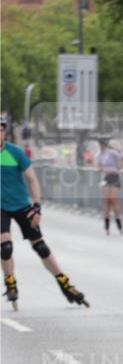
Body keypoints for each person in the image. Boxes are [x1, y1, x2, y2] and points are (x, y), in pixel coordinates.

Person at [0, 118, 89, 309]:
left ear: (4, 132)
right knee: (5, 246)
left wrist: (37, 206)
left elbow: (32, 180)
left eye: (0, 130)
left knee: (40, 247)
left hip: (21, 204)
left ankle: (64, 282)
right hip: (1, 208)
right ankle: (10, 281)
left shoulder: (15, 152)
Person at [97, 138, 123, 235]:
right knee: (106, 201)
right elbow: (98, 166)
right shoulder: (99, 155)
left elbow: (122, 158)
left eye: (103, 144)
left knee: (113, 199)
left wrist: (117, 168)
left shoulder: (112, 153)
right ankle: (107, 224)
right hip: (105, 177)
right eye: (100, 145)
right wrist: (104, 169)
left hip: (114, 177)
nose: (101, 146)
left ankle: (118, 222)